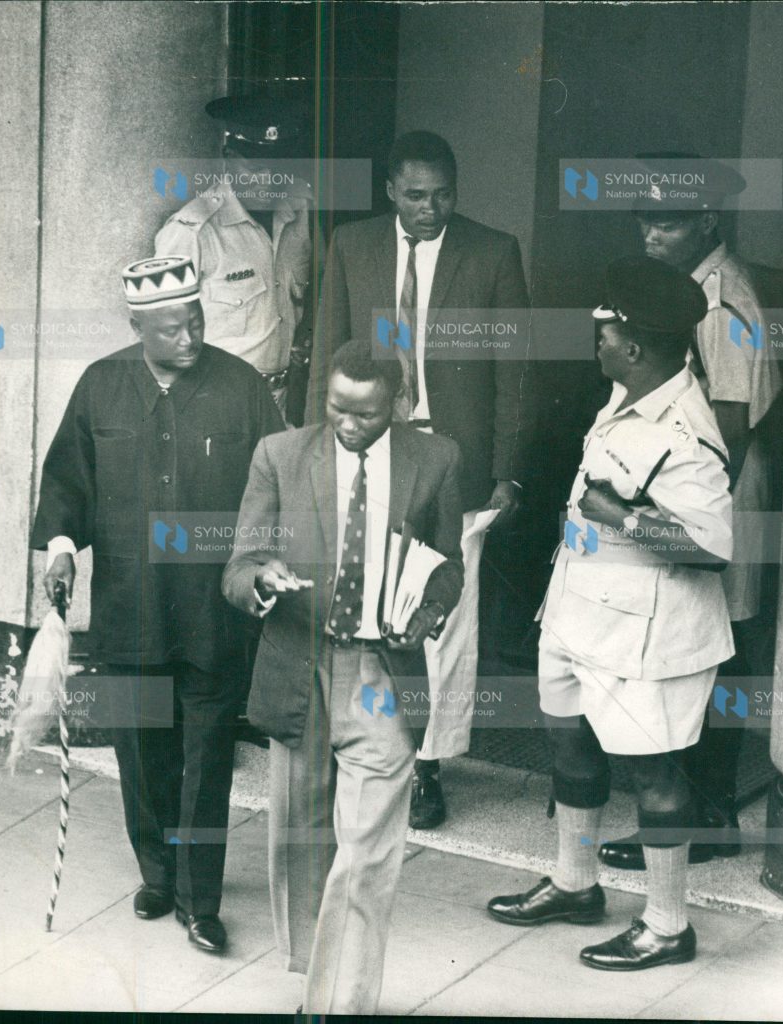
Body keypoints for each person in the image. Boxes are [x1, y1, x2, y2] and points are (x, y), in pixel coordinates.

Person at [487, 257, 734, 972]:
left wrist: (621, 516)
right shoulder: (629, 394)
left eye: (605, 332)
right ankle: (574, 882)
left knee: (655, 776)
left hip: (645, 637)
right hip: (576, 614)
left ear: (633, 346)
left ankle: (666, 924)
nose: (594, 341)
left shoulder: (686, 433)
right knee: (569, 747)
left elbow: (712, 548)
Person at [31, 256, 284, 953]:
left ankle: (200, 900)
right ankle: (159, 872)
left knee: (206, 755)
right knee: (139, 749)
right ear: (137, 324)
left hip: (213, 610)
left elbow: (278, 488)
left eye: (196, 321)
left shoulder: (243, 388)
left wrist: (265, 563)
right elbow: (66, 482)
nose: (189, 338)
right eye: (171, 328)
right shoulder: (100, 385)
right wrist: (59, 549)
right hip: (130, 606)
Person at [223, 340, 464, 1013]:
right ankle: (314, 969)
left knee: (365, 853)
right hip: (298, 665)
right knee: (301, 838)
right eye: (337, 410)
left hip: (379, 673)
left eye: (365, 414)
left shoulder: (436, 459)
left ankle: (333, 1004)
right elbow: (240, 563)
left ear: (398, 403)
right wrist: (261, 581)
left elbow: (447, 567)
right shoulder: (281, 455)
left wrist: (429, 612)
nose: (348, 426)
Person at [305, 130, 532, 829]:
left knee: (444, 620)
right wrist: (319, 450)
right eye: (415, 195)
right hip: (370, 450)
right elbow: (326, 353)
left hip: (451, 459)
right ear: (389, 192)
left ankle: (428, 765)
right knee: (364, 600)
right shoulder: (352, 246)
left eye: (442, 195)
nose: (430, 208)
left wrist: (508, 474)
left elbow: (514, 372)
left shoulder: (491, 252)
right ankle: (369, 747)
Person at [600, 152, 782, 870]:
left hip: (721, 494)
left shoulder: (724, 300)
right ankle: (684, 810)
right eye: (642, 218)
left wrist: (673, 510)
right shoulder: (681, 288)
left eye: (666, 221)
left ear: (707, 219)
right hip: (696, 492)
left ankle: (704, 815)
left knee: (717, 654)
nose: (649, 233)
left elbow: (730, 425)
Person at [155, 89, 323, 425]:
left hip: (285, 402)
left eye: (280, 169)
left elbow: (316, 293)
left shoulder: (302, 210)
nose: (268, 181)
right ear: (228, 156)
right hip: (216, 405)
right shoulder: (192, 232)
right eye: (256, 168)